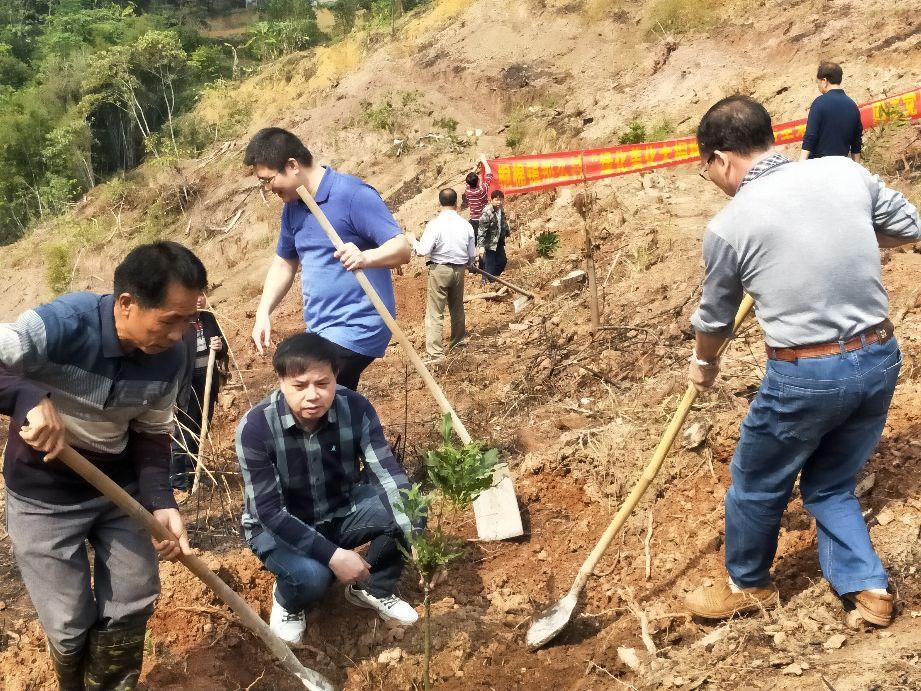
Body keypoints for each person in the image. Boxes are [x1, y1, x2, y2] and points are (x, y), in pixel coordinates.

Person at [684, 95, 920, 626]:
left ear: (722, 159)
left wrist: (704, 365)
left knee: (756, 479)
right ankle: (868, 587)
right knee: (830, 482)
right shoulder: (843, 173)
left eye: (708, 172)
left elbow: (715, 320)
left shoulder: (730, 225)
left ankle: (747, 583)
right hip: (880, 356)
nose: (714, 181)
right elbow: (910, 227)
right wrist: (849, 236)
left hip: (809, 375)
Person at [0, 241, 205, 688]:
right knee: (68, 620)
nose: (178, 334)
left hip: (119, 493)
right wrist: (26, 396)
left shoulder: (173, 354)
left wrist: (160, 500)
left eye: (188, 320)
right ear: (127, 303)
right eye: (170, 320)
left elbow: (152, 432)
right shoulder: (62, 325)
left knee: (133, 599)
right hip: (43, 496)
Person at [235, 333, 420, 644]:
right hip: (279, 528)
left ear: (336, 376)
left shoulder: (356, 408)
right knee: (312, 577)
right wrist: (333, 555)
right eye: (300, 386)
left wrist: (413, 526)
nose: (313, 396)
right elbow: (268, 511)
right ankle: (288, 601)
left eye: (322, 384)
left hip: (341, 509)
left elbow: (386, 472)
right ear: (281, 381)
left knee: (408, 507)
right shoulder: (256, 428)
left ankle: (373, 588)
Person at [244, 128, 411, 391]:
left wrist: (365, 257)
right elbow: (284, 263)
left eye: (268, 180)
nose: (267, 189)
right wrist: (263, 312)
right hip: (321, 328)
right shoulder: (293, 207)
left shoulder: (352, 195)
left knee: (303, 390)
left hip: (358, 325)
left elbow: (402, 249)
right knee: (330, 408)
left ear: (292, 165)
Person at [406, 188, 476, 363]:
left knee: (435, 312)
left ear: (438, 204)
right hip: (459, 271)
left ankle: (436, 354)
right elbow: (472, 254)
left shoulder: (434, 224)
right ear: (457, 204)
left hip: (440, 270)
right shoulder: (466, 225)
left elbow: (423, 250)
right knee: (457, 307)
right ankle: (458, 343)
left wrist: (412, 240)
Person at [170, 296, 228, 491]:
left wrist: (219, 348)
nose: (197, 299)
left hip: (207, 384)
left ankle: (195, 473)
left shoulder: (208, 318)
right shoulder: (177, 322)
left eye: (200, 294)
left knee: (201, 431)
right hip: (186, 388)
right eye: (192, 295)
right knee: (183, 433)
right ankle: (179, 479)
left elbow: (222, 347)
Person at [799, 62, 863, 161]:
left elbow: (810, 136)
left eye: (818, 82)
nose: (818, 86)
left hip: (819, 165)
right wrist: (857, 168)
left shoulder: (819, 103)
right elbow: (856, 143)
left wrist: (801, 165)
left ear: (824, 81)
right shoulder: (853, 106)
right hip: (841, 165)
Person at [477, 189, 511, 281]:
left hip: (499, 240)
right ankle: (486, 282)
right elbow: (481, 231)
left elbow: (502, 222)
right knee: (489, 265)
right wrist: (481, 246)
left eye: (501, 200)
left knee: (502, 261)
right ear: (491, 200)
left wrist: (507, 232)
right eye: (496, 200)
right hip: (489, 243)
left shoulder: (501, 210)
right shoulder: (487, 213)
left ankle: (493, 279)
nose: (499, 202)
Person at [462, 155, 494, 245]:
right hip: (485, 220)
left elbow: (468, 179)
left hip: (474, 221)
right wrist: (484, 161)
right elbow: (489, 174)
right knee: (486, 244)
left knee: (475, 244)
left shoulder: (467, 190)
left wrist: (475, 166)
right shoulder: (482, 189)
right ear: (478, 181)